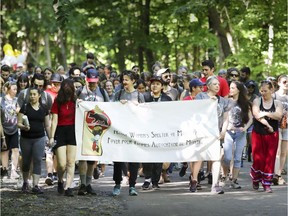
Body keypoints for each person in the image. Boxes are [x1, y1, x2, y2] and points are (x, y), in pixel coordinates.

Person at [112, 70, 145, 196]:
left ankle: (132, 186)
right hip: (120, 131)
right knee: (118, 159)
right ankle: (117, 184)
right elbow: (111, 109)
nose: (124, 82)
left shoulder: (139, 96)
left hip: (134, 132)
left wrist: (135, 106)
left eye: (126, 79)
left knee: (134, 160)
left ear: (133, 81)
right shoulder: (118, 93)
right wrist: (118, 105)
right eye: (123, 79)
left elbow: (145, 114)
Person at [76, 68, 109, 196]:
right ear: (86, 80)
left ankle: (89, 184)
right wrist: (77, 102)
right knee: (82, 157)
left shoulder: (102, 92)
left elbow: (109, 108)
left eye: (94, 81)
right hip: (83, 129)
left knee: (92, 158)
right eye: (90, 82)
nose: (92, 84)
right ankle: (82, 184)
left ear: (98, 80)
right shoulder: (80, 92)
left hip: (97, 130)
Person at [196, 76, 230, 194]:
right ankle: (194, 180)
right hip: (203, 132)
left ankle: (214, 185)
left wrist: (223, 131)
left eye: (218, 84)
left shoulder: (223, 100)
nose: (217, 86)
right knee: (199, 157)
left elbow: (226, 118)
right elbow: (196, 112)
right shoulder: (201, 96)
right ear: (208, 85)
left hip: (216, 133)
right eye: (214, 84)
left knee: (216, 158)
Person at [250, 80, 283, 193]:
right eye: (261, 90)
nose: (263, 93)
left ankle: (267, 184)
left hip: (272, 134)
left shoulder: (277, 103)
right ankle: (256, 179)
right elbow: (256, 115)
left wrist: (266, 113)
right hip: (258, 133)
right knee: (258, 159)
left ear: (272, 90)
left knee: (270, 159)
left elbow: (278, 116)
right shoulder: (257, 101)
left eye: (265, 90)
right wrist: (268, 124)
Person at [141, 76, 172, 190]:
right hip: (147, 131)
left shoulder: (167, 99)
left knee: (159, 156)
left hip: (161, 131)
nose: (155, 86)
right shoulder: (145, 97)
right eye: (153, 83)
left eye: (158, 84)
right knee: (147, 156)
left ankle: (155, 180)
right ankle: (147, 179)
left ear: (162, 87)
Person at [17, 87, 51, 194]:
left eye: (34, 94)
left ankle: (35, 185)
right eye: (31, 94)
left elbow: (47, 125)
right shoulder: (25, 107)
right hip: (26, 138)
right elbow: (18, 123)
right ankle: (25, 182)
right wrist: (23, 127)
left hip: (39, 138)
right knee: (26, 161)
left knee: (37, 160)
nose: (32, 96)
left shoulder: (43, 108)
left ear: (39, 95)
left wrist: (50, 138)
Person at [221, 81, 253, 189]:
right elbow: (225, 118)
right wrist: (225, 130)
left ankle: (234, 180)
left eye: (233, 88)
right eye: (230, 87)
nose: (230, 90)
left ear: (238, 89)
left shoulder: (245, 103)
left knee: (238, 158)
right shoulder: (227, 102)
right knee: (227, 157)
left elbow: (251, 118)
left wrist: (245, 128)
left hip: (240, 134)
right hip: (229, 133)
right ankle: (224, 175)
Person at [49, 79, 77, 197]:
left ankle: (68, 186)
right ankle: (60, 180)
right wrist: (51, 136)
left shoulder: (76, 102)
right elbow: (54, 120)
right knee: (61, 164)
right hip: (60, 131)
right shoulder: (57, 101)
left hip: (72, 131)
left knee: (71, 162)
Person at [182, 78, 205, 192]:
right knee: (192, 156)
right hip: (189, 131)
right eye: (200, 87)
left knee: (199, 155)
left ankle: (194, 179)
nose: (202, 89)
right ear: (193, 88)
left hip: (201, 131)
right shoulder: (186, 100)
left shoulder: (205, 100)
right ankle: (193, 176)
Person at [44, 73, 64, 186]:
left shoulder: (63, 95)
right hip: (48, 126)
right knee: (48, 151)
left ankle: (56, 173)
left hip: (60, 126)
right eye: (53, 83)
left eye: (57, 83)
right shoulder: (46, 94)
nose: (55, 85)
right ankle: (49, 174)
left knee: (57, 152)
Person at [0, 81, 20, 179]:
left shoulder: (17, 100)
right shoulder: (1, 100)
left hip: (15, 128)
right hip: (3, 129)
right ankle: (4, 170)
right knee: (5, 150)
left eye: (16, 89)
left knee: (15, 149)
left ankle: (13, 170)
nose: (16, 91)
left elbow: (19, 111)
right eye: (14, 89)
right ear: (8, 89)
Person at [273, 74, 288, 185]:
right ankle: (275, 175)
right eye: (284, 82)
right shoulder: (274, 96)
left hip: (286, 127)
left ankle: (279, 174)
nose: (286, 84)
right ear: (278, 83)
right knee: (277, 152)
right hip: (276, 126)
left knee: (284, 152)